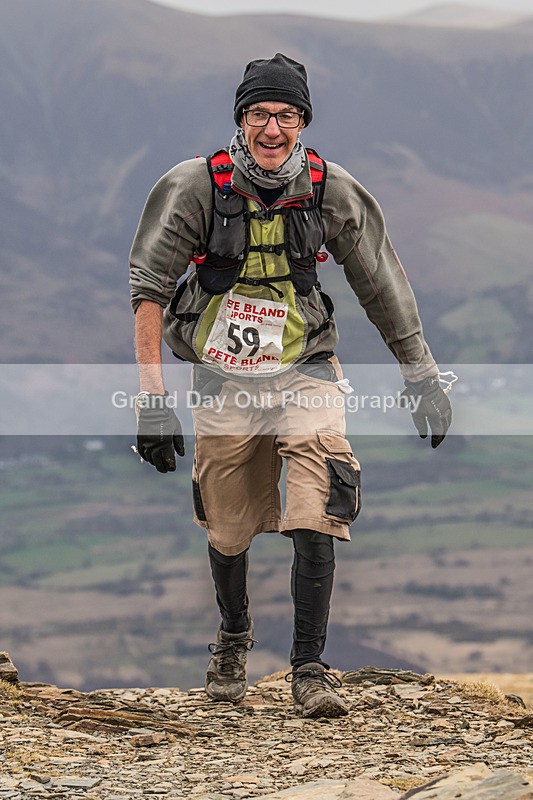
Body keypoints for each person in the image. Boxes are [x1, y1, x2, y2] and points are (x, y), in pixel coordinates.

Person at [129, 53, 452, 718]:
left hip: (307, 363)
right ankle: (233, 635)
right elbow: (149, 291)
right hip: (222, 375)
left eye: (284, 114)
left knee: (320, 496)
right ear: (239, 120)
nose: (271, 129)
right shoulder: (194, 187)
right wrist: (151, 399)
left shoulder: (330, 190)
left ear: (302, 121)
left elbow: (379, 281)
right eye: (258, 114)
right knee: (227, 523)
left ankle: (309, 668)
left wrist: (420, 373)